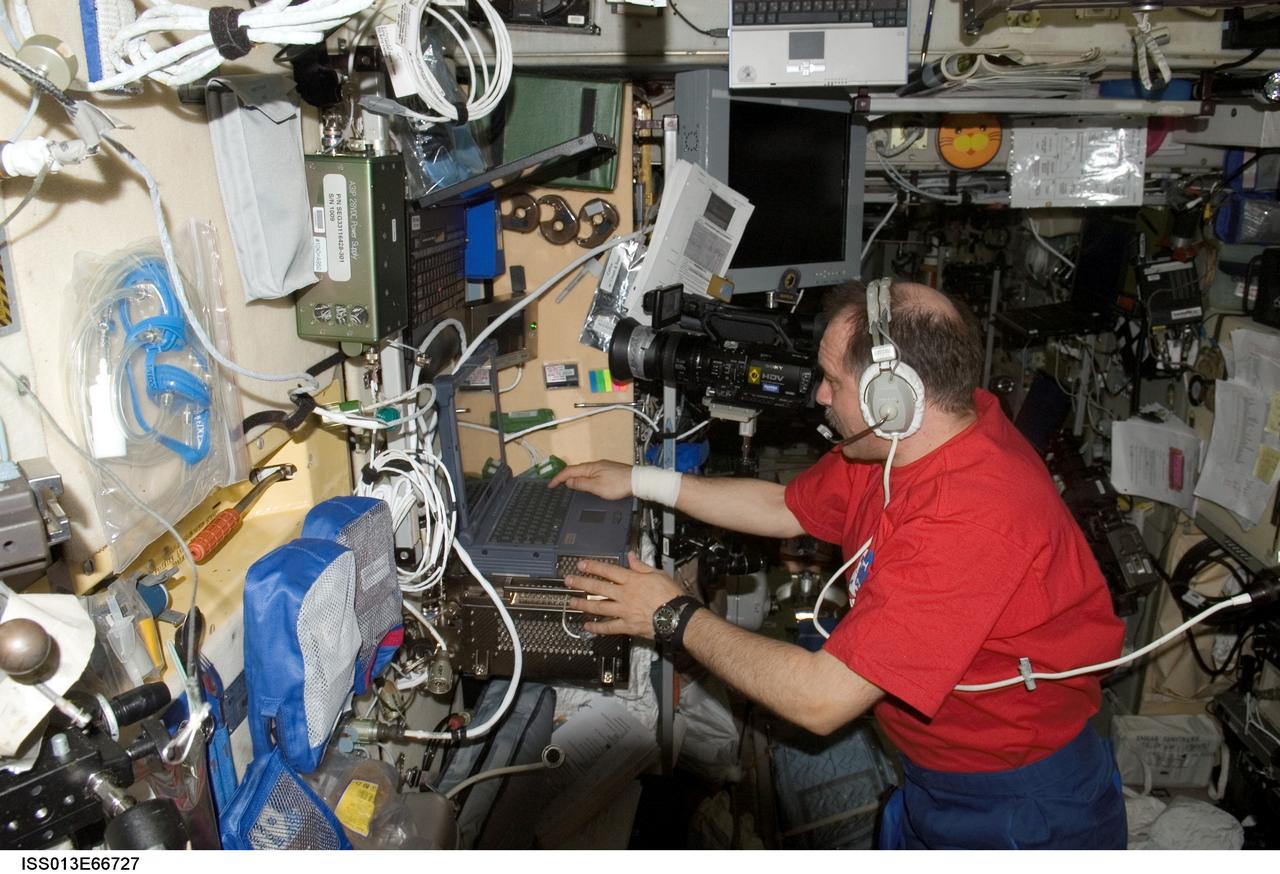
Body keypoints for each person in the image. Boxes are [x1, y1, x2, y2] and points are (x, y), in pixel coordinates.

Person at [548, 280, 1128, 849]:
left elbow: (821, 700)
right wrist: (642, 481)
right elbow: (785, 507)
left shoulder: (973, 517)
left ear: (892, 394)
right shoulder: (899, 440)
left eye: (833, 381)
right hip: (934, 771)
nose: (821, 397)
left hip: (1019, 803)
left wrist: (670, 615)